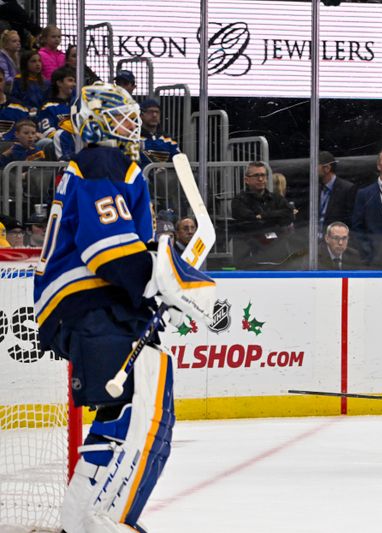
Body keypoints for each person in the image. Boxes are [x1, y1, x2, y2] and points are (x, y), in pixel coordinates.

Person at [33, 81, 215, 531]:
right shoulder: (103, 160)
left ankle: (82, 519)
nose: (131, 123)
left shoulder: (109, 164)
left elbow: (122, 247)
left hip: (94, 305)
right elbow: (106, 246)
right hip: (92, 302)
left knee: (128, 409)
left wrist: (154, 279)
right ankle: (102, 520)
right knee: (140, 410)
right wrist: (152, 280)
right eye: (119, 115)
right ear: (94, 122)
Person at [231, 161, 296, 269]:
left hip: (278, 257)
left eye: (263, 175)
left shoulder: (276, 198)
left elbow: (290, 214)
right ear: (246, 180)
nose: (260, 179)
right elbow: (251, 224)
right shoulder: (239, 201)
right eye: (256, 176)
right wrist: (275, 221)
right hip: (250, 257)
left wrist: (263, 216)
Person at [318, 150, 356, 237]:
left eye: (315, 166)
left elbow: (350, 221)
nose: (312, 170)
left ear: (327, 168)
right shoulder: (316, 189)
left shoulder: (347, 189)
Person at [138, 98, 181, 166]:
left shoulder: (168, 140)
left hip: (165, 176)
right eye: (150, 112)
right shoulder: (134, 138)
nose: (154, 115)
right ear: (141, 115)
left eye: (157, 112)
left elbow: (179, 162)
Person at [36, 65, 75, 138]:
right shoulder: (48, 107)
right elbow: (48, 133)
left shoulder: (78, 105)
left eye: (74, 81)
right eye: (70, 80)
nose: (74, 84)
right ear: (59, 83)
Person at [0, 66, 29, 141]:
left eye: (0, 80)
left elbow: (26, 134)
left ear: (4, 82)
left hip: (13, 147)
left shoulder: (19, 107)